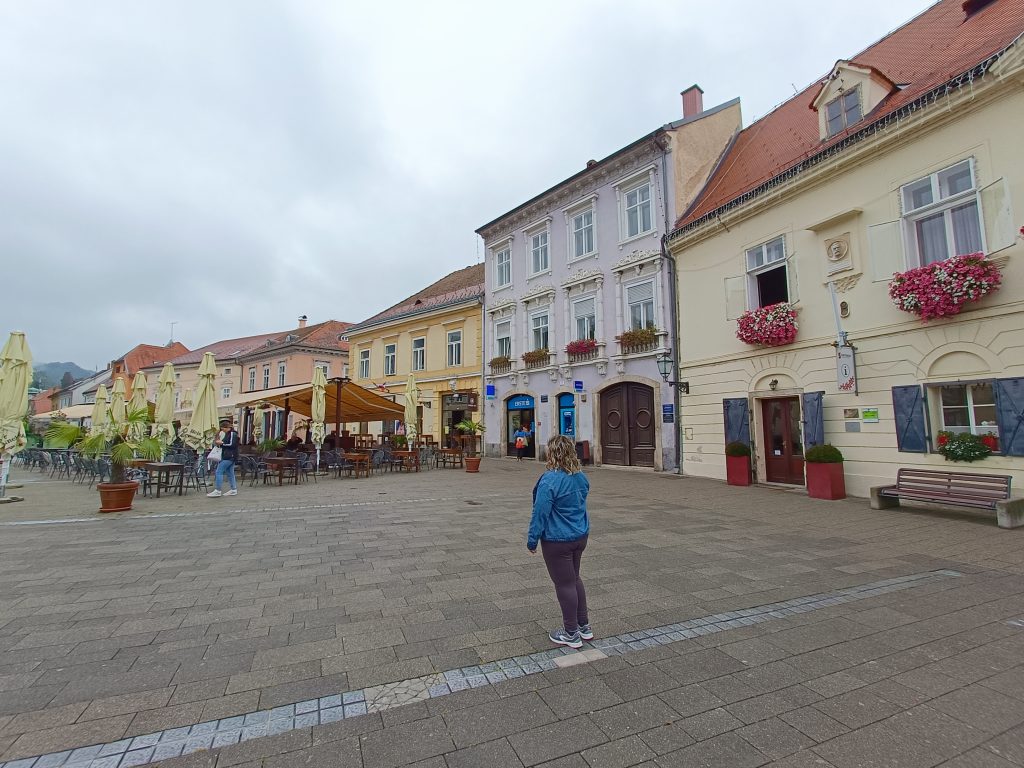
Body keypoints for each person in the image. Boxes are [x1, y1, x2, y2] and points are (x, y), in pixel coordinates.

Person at [527, 434, 592, 649]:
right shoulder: (580, 477)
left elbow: (540, 513)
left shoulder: (550, 479)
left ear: (551, 453)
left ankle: (571, 632)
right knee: (574, 580)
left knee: (564, 584)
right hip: (579, 536)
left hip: (557, 539)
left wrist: (532, 539)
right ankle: (584, 626)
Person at [207, 420, 238, 497]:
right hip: (229, 456)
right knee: (230, 473)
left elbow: (232, 444)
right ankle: (233, 489)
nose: (222, 430)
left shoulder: (232, 434)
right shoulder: (227, 434)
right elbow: (224, 444)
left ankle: (218, 490)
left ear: (227, 427)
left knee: (219, 471)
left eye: (223, 428)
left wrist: (222, 443)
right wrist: (219, 443)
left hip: (229, 456)